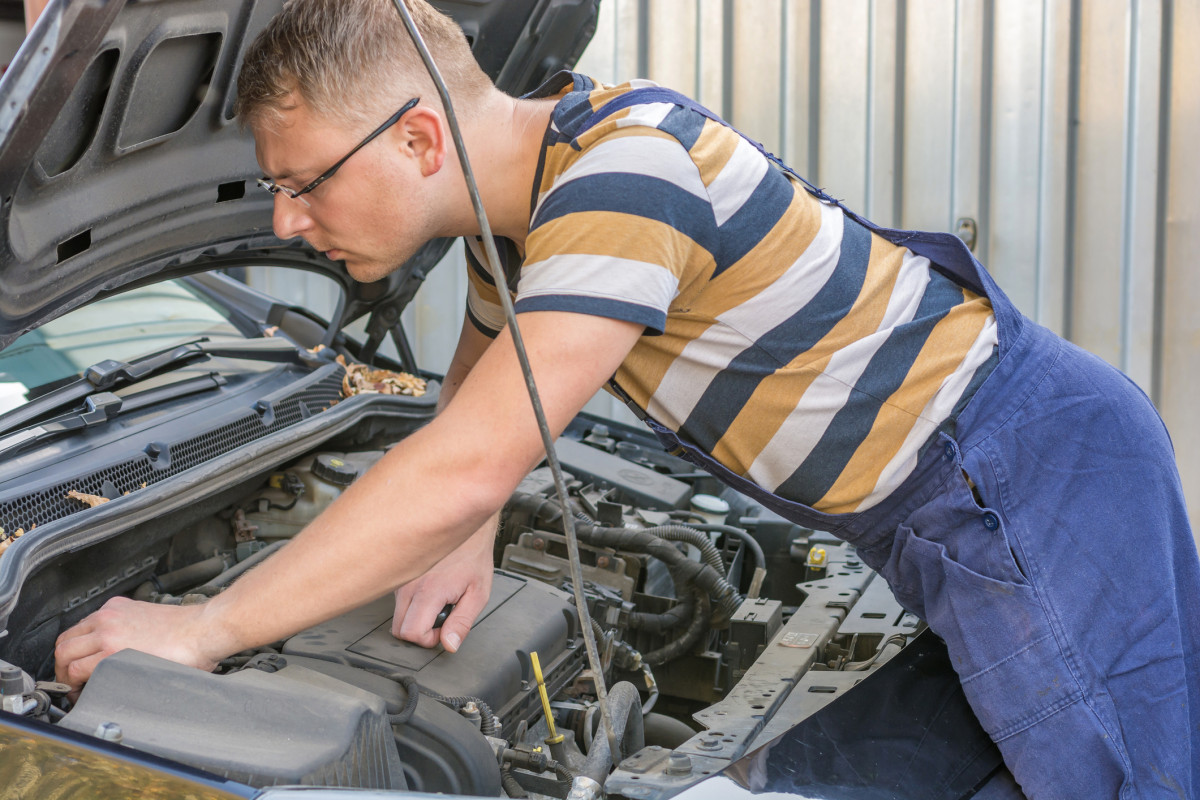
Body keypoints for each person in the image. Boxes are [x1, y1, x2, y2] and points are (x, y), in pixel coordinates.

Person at [54, 1, 1198, 797]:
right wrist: (472, 536)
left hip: (1016, 480)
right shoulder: (538, 199)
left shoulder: (622, 176)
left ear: (412, 137)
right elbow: (480, 396)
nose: (287, 223)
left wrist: (204, 625)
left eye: (301, 183)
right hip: (939, 501)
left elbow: (468, 456)